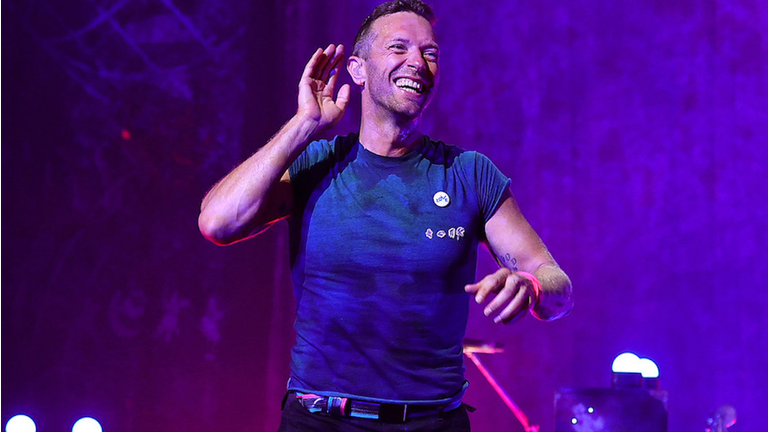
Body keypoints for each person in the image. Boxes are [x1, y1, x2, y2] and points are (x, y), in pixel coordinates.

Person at [198, 0, 573, 430]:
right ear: (357, 71)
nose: (417, 62)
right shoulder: (317, 165)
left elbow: (558, 286)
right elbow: (217, 223)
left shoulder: (468, 174)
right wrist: (304, 124)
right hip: (321, 421)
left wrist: (530, 285)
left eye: (429, 53)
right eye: (399, 48)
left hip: (431, 423)